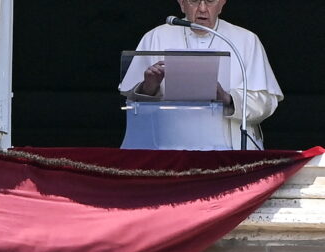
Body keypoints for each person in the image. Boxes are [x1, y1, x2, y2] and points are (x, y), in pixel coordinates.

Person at [119, 0, 283, 150]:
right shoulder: (156, 37)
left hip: (228, 150)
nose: (203, 9)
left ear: (222, 3)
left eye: (210, 1)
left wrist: (227, 98)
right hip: (170, 148)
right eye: (194, 1)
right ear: (182, 4)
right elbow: (133, 104)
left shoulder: (246, 40)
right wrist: (149, 86)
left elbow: (266, 101)